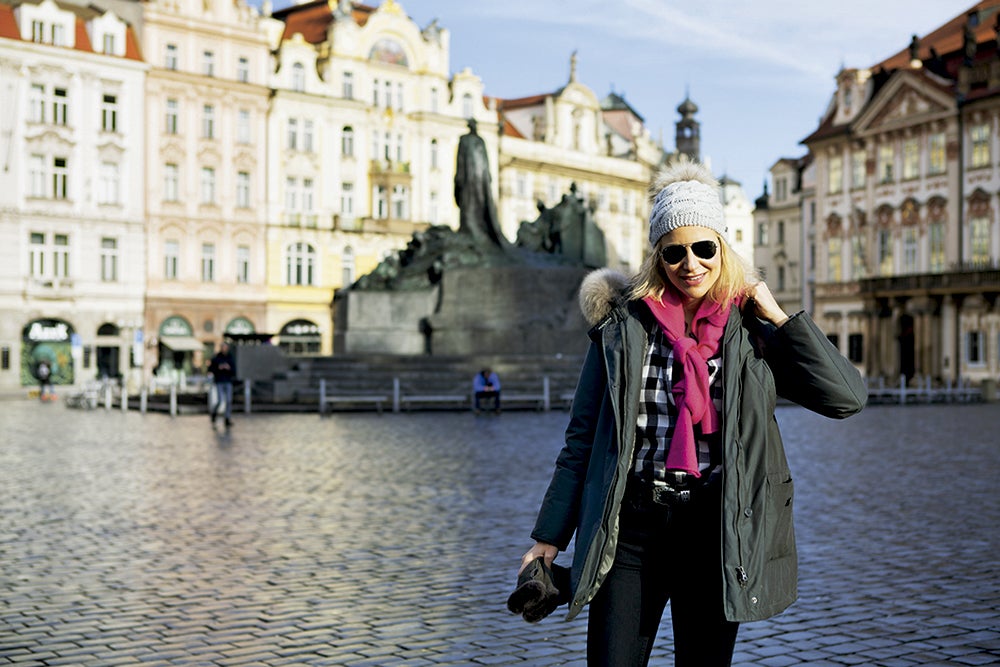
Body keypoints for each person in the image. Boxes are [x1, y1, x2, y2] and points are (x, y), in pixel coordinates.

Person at [517, 157, 867, 666]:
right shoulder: (622, 326)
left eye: (704, 248)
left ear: (723, 248)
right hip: (631, 527)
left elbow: (845, 397)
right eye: (674, 251)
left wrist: (778, 315)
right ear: (658, 255)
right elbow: (581, 439)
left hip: (716, 525)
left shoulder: (752, 331)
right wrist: (548, 537)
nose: (690, 264)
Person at [454, 118, 506, 248]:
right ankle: (469, 228)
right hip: (468, 177)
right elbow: (460, 159)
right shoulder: (464, 140)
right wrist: (460, 176)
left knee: (480, 203)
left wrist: (487, 176)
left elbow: (485, 160)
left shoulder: (480, 141)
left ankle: (479, 228)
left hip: (479, 178)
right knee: (468, 203)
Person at [208, 342, 236, 427]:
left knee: (228, 400)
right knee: (220, 400)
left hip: (228, 381)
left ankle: (227, 419)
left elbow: (234, 370)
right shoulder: (216, 358)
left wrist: (228, 368)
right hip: (219, 381)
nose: (224, 348)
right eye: (223, 347)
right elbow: (210, 369)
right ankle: (214, 413)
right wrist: (218, 368)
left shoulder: (230, 358)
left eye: (225, 347)